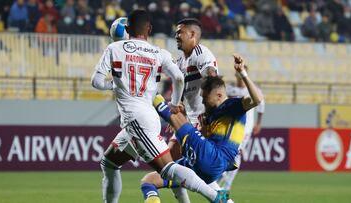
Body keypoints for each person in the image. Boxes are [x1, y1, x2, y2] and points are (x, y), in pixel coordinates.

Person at [91, 10, 228, 203]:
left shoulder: (114, 48)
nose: (176, 35)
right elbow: (178, 78)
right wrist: (175, 105)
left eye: (180, 32)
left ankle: (217, 198)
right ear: (149, 29)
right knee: (109, 163)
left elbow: (96, 82)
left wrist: (115, 84)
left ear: (127, 29)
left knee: (168, 168)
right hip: (146, 118)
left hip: (137, 119)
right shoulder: (160, 53)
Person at [140, 54, 263, 203]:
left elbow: (257, 100)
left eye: (205, 98)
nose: (203, 101)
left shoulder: (233, 106)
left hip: (216, 159)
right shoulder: (209, 115)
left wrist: (243, 73)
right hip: (204, 164)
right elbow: (202, 138)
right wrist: (188, 120)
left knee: (174, 116)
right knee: (149, 181)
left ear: (219, 95)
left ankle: (147, 86)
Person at [141, 18, 220, 203]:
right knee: (170, 168)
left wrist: (209, 115)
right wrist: (178, 115)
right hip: (188, 121)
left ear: (192, 35)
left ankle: (223, 199)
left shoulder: (201, 53)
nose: (176, 36)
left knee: (179, 170)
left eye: (180, 32)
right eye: (176, 32)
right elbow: (184, 90)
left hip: (202, 121)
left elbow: (212, 76)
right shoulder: (180, 61)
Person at [217, 64, 265, 191]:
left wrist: (258, 123)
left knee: (237, 153)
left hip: (246, 128)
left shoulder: (254, 90)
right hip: (231, 126)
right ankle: (221, 178)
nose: (239, 77)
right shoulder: (231, 90)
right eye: (237, 75)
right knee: (229, 152)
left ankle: (225, 184)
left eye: (241, 75)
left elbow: (261, 107)